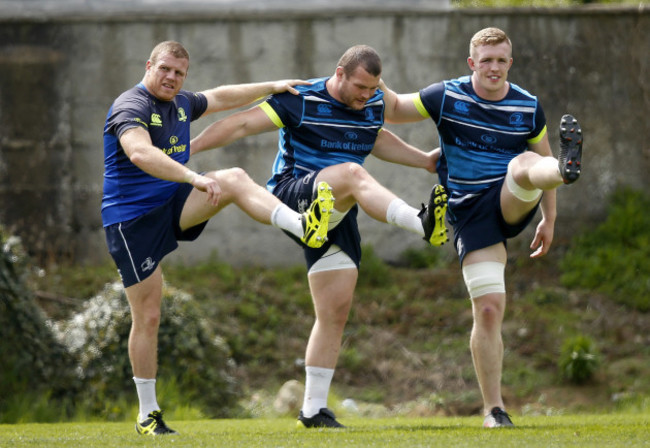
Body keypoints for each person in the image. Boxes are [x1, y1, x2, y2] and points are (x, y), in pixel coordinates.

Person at [190, 44, 449, 428]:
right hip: (295, 195)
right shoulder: (301, 99)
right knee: (352, 173)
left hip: (337, 209)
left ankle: (312, 409)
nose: (367, 95)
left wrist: (424, 160)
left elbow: (375, 138)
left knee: (335, 310)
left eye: (373, 88)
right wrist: (184, 151)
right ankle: (422, 223)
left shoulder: (372, 102)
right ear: (340, 74)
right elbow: (240, 124)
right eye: (360, 87)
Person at [102, 40, 336, 436]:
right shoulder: (132, 105)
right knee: (149, 315)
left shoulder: (180, 103)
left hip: (173, 203)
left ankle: (303, 225)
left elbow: (220, 96)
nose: (171, 78)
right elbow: (140, 154)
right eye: (165, 70)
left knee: (233, 179)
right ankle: (147, 413)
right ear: (149, 66)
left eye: (179, 73)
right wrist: (193, 176)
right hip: (132, 221)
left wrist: (272, 85)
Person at [380, 27, 583, 427]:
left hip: (512, 198)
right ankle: (494, 410)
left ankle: (567, 168)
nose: (494, 67)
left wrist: (550, 217)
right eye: (486, 60)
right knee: (489, 309)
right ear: (472, 63)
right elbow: (394, 109)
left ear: (511, 63)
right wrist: (368, 70)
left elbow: (540, 157)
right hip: (469, 213)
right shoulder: (446, 96)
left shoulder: (527, 106)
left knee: (523, 164)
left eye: (501, 60)